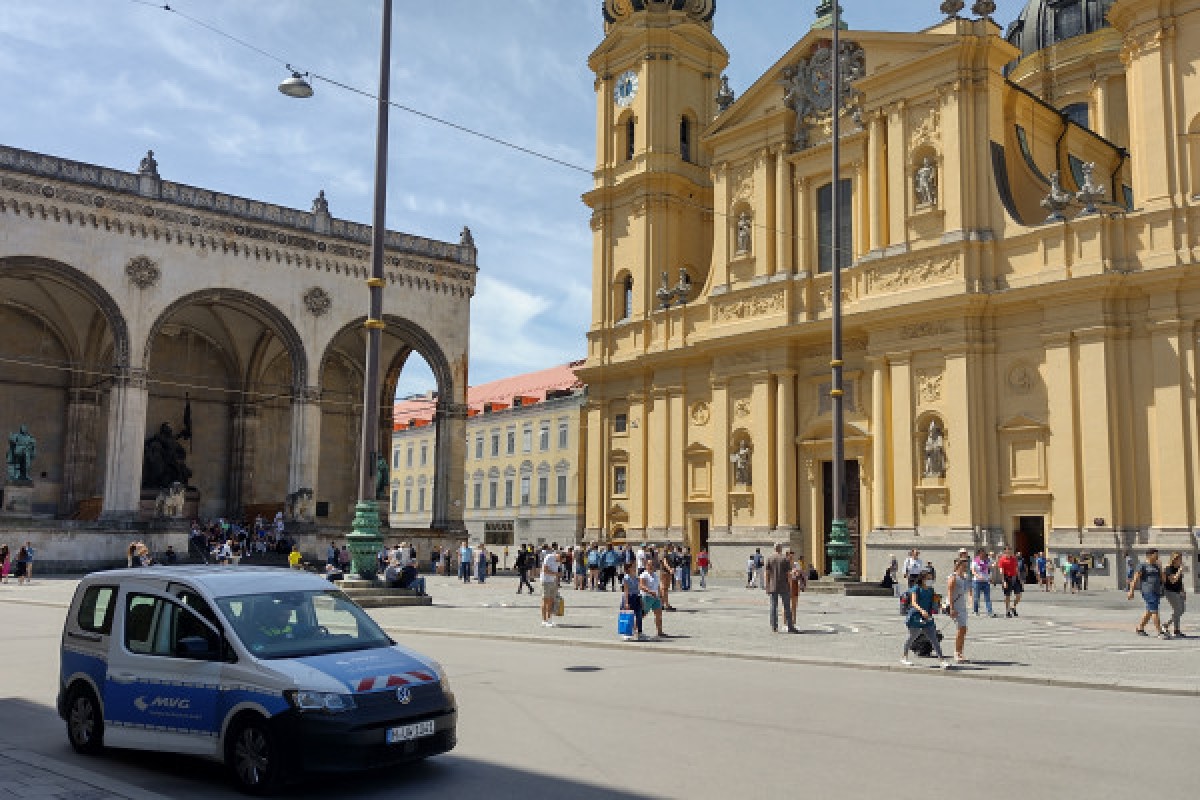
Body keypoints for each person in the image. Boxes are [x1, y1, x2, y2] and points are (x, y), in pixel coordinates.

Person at [902, 568, 950, 668]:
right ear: (922, 579)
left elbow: (935, 601)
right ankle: (904, 657)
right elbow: (913, 603)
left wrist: (943, 607)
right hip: (915, 616)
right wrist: (922, 610)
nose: (930, 580)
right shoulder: (916, 588)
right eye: (928, 578)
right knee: (912, 637)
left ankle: (942, 660)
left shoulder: (931, 590)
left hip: (927, 617)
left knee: (934, 639)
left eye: (931, 578)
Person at [1128, 549, 1167, 639]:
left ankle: (1140, 628)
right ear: (1149, 555)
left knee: (1150, 611)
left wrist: (1161, 568)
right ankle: (1159, 632)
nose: (1157, 557)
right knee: (1154, 611)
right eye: (1155, 555)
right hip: (1147, 591)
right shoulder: (1142, 565)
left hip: (1156, 591)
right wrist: (1131, 591)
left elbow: (1163, 579)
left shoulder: (1157, 566)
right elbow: (1135, 579)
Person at [764, 542, 798, 634]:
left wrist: (767, 586)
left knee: (773, 606)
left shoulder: (769, 558)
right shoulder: (784, 559)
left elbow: (767, 573)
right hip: (784, 586)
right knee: (787, 606)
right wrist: (790, 586)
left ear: (774, 549)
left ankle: (774, 627)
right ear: (781, 549)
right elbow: (788, 575)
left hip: (773, 586)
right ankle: (790, 626)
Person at [947, 557, 970, 663]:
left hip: (962, 607)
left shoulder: (964, 577)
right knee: (960, 629)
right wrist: (951, 608)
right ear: (958, 566)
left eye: (966, 566)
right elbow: (950, 594)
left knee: (964, 629)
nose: (965, 568)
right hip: (955, 607)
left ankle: (960, 652)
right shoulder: (953, 578)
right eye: (964, 566)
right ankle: (956, 653)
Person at [639, 557, 666, 637]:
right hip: (646, 597)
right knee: (643, 615)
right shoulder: (644, 575)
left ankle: (659, 632)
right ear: (646, 565)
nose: (651, 566)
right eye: (649, 565)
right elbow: (641, 586)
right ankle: (635, 629)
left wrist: (661, 595)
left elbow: (658, 586)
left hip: (656, 597)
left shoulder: (655, 575)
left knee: (658, 614)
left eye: (652, 565)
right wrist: (650, 592)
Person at [1163, 552, 1187, 638]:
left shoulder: (1178, 568)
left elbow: (1180, 581)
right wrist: (1180, 570)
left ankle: (1167, 625)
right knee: (1177, 610)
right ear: (1175, 559)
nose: (1181, 560)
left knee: (1182, 610)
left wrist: (1183, 591)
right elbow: (1173, 580)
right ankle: (1176, 630)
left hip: (1178, 591)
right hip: (1170, 591)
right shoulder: (1168, 568)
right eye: (1180, 558)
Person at [620, 561, 644, 641]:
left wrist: (641, 599)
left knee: (639, 615)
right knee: (628, 616)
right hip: (629, 597)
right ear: (629, 568)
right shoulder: (626, 578)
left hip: (636, 597)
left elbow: (638, 589)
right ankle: (626, 633)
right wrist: (626, 602)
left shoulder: (636, 577)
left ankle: (639, 633)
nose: (635, 568)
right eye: (633, 566)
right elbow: (626, 591)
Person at [997, 546, 1023, 618]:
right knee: (1007, 596)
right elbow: (1001, 571)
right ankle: (1007, 611)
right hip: (1007, 578)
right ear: (1005, 551)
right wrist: (1003, 581)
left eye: (1010, 550)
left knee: (1018, 596)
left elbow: (1016, 569)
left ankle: (1013, 606)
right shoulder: (1002, 560)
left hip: (1015, 578)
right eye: (1008, 550)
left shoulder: (1014, 559)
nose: (1009, 551)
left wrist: (1020, 579)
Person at [540, 545, 560, 627]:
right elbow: (545, 570)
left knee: (552, 600)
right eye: (560, 560)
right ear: (558, 556)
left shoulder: (558, 560)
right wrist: (556, 574)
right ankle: (544, 620)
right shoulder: (549, 557)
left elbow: (556, 571)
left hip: (552, 581)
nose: (559, 562)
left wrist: (556, 582)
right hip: (546, 581)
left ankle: (549, 619)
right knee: (545, 600)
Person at [971, 549, 995, 616]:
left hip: (985, 581)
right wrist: (977, 576)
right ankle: (976, 610)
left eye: (984, 553)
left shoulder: (987, 561)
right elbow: (973, 571)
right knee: (976, 597)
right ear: (979, 554)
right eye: (982, 553)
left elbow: (992, 566)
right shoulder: (975, 561)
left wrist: (996, 560)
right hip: (977, 582)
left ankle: (990, 612)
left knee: (987, 597)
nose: (983, 555)